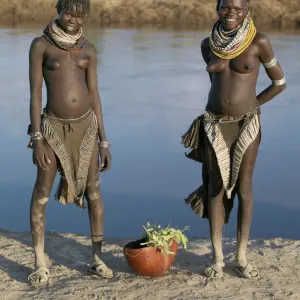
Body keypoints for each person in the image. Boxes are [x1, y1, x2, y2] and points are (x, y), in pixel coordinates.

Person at [182, 0, 286, 279]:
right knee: (215, 186)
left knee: (243, 185)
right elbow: (219, 84)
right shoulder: (208, 45)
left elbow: (280, 83)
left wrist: (253, 104)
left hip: (246, 123)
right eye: (226, 8)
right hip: (214, 123)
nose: (231, 13)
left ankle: (240, 257)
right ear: (218, 9)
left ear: (246, 11)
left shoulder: (259, 42)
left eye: (237, 9)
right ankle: (217, 258)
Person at [27, 0, 113, 287]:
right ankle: (40, 262)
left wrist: (104, 140)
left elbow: (96, 95)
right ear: (58, 11)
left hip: (86, 127)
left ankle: (97, 259)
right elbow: (36, 93)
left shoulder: (88, 49)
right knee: (42, 190)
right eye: (69, 13)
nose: (74, 19)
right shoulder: (41, 45)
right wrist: (36, 137)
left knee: (94, 193)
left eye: (79, 15)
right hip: (51, 128)